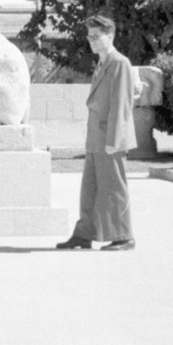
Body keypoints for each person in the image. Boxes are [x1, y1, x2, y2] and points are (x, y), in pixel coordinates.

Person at [56, 15, 137, 251]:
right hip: (95, 136)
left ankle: (123, 236)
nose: (90, 40)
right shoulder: (102, 63)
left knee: (114, 187)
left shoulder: (119, 63)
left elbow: (121, 104)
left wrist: (114, 139)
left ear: (109, 36)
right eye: (89, 36)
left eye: (95, 36)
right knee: (89, 188)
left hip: (110, 137)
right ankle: (84, 234)